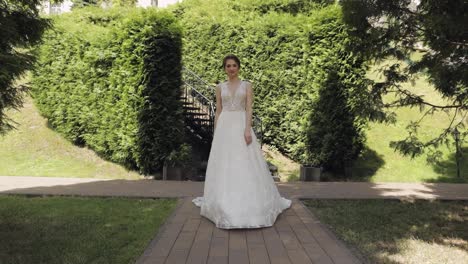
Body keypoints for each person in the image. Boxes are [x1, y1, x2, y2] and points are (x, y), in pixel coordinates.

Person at [192, 54, 291, 229]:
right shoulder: (220, 87)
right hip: (224, 127)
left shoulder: (247, 85)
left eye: (234, 65)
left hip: (240, 125)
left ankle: (250, 200)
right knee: (225, 163)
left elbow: (249, 108)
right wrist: (216, 132)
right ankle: (222, 201)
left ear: (239, 67)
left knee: (244, 161)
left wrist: (247, 129)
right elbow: (219, 109)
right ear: (225, 68)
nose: (231, 69)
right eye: (228, 66)